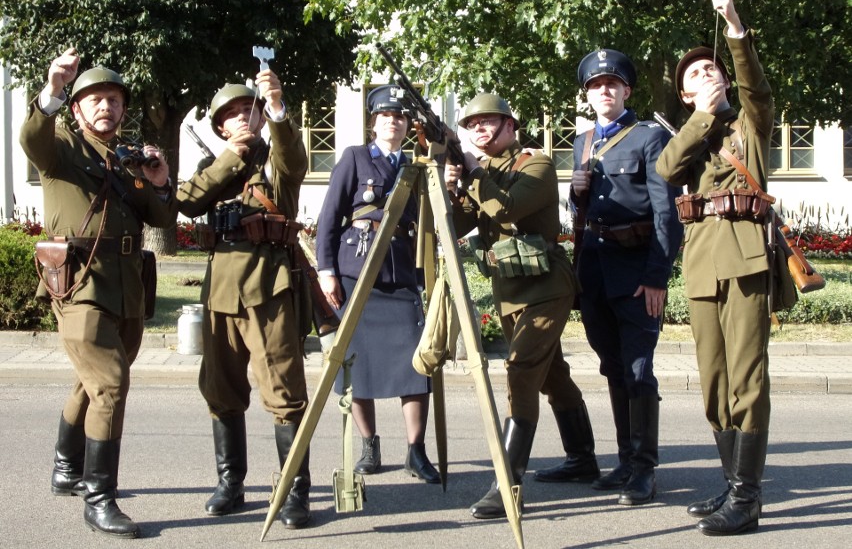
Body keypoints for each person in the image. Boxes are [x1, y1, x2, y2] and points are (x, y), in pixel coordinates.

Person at [20, 48, 177, 538]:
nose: (105, 106)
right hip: (80, 283)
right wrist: (52, 89)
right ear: (77, 109)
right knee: (109, 383)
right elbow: (30, 136)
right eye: (94, 99)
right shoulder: (61, 147)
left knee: (93, 381)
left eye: (113, 98)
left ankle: (66, 468)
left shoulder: (128, 156)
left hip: (127, 286)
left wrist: (160, 182)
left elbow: (161, 218)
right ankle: (99, 497)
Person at [444, 93, 599, 520]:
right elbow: (458, 225)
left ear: (511, 125)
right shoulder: (483, 171)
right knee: (551, 374)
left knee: (521, 371)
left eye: (488, 121)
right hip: (510, 290)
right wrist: (452, 185)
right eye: (471, 123)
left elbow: (507, 208)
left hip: (547, 286)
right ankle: (583, 456)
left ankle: (507, 484)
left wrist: (473, 175)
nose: (478, 128)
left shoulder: (537, 163)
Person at [657, 0, 774, 536]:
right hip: (703, 266)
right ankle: (731, 484)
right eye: (697, 74)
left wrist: (733, 25)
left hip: (746, 261)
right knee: (713, 383)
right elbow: (665, 168)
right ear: (685, 96)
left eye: (713, 68)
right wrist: (700, 120)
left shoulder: (749, 125)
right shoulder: (694, 134)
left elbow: (756, 86)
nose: (710, 74)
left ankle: (747, 499)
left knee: (747, 381)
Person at [176, 71, 312, 528]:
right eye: (230, 115)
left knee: (284, 391)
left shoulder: (276, 161)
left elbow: (295, 161)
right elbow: (189, 201)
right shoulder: (215, 167)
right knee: (220, 388)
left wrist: (276, 108)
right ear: (219, 128)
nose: (240, 118)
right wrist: (230, 158)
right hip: (221, 290)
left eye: (246, 110)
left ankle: (294, 488)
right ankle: (230, 481)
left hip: (269, 286)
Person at [565, 49, 683, 506]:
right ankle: (624, 460)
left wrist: (657, 277)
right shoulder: (583, 141)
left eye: (612, 84)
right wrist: (575, 198)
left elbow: (665, 214)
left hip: (635, 273)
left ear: (627, 91)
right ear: (588, 95)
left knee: (638, 371)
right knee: (612, 367)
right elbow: (584, 213)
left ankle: (645, 469)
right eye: (595, 86)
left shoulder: (649, 138)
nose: (604, 91)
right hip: (595, 270)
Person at [315, 85, 440, 485]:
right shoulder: (354, 158)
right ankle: (370, 446)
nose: (393, 121)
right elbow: (330, 218)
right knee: (358, 366)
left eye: (400, 116)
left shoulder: (415, 166)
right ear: (373, 123)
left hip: (400, 274)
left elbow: (426, 222)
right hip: (357, 271)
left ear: (407, 125)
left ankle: (416, 450)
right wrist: (326, 270)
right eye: (385, 116)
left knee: (415, 366)